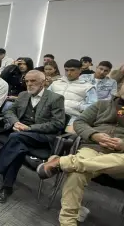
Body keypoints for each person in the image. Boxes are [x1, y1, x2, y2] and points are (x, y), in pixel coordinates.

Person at [37, 83, 124, 226]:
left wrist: (122, 144)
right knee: (77, 174)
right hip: (93, 148)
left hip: (119, 157)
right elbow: (79, 122)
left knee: (77, 166)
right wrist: (94, 135)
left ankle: (62, 162)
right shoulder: (101, 105)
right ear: (120, 86)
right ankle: (67, 221)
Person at [0, 70, 65, 203]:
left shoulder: (55, 98)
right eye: (27, 81)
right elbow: (10, 111)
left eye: (33, 81)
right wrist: (15, 122)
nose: (29, 84)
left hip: (41, 136)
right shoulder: (23, 95)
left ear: (43, 82)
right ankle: (6, 187)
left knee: (15, 138)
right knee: (18, 148)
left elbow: (58, 123)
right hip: (20, 132)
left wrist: (29, 128)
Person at [49, 59, 97, 133]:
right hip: (51, 116)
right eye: (66, 70)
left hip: (72, 119)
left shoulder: (88, 87)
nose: (69, 73)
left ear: (80, 70)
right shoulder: (55, 83)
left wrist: (76, 106)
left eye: (72, 70)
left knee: (68, 138)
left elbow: (93, 107)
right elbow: (45, 99)